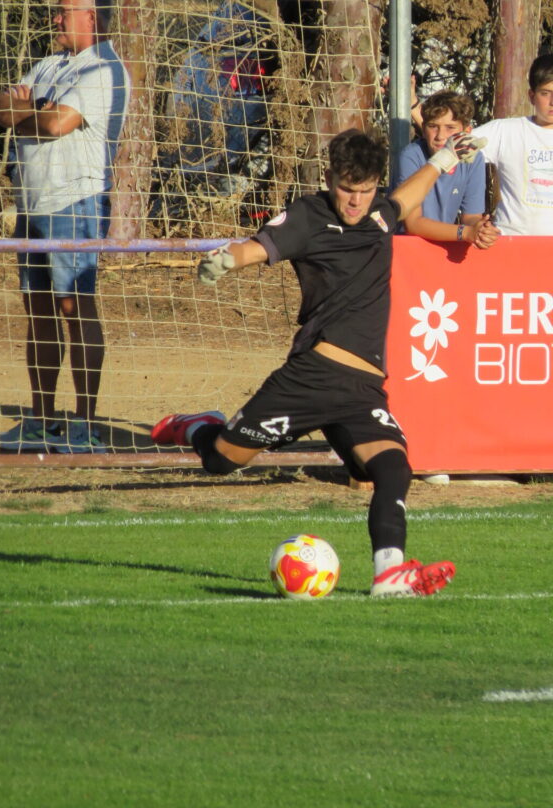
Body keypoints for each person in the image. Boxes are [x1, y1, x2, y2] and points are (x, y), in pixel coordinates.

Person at [151, 127, 486, 597]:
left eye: (365, 191)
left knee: (394, 467)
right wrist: (228, 260)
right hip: (313, 377)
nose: (356, 202)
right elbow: (257, 247)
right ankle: (198, 427)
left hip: (362, 389)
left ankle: (389, 573)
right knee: (221, 461)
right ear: (330, 179)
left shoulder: (378, 215)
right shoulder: (308, 216)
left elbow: (405, 200)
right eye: (347, 190)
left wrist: (445, 158)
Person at [0, 0, 131, 453]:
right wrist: (30, 109)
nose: (55, 20)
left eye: (63, 12)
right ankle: (42, 420)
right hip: (32, 203)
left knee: (75, 307)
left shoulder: (106, 69)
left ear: (91, 18)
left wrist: (28, 111)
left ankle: (85, 425)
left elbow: (54, 125)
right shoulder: (49, 64)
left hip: (75, 203)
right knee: (38, 310)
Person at [395, 89, 500, 248]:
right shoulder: (411, 156)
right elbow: (413, 224)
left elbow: (471, 216)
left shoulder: (474, 159)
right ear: (423, 129)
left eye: (450, 128)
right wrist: (465, 233)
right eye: (433, 126)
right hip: (407, 248)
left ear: (466, 132)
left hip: (443, 246)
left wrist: (480, 229)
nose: (440, 136)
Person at [473, 53, 553, 235]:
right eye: (545, 93)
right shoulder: (505, 130)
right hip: (512, 243)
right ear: (531, 96)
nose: (552, 102)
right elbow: (448, 143)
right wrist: (414, 108)